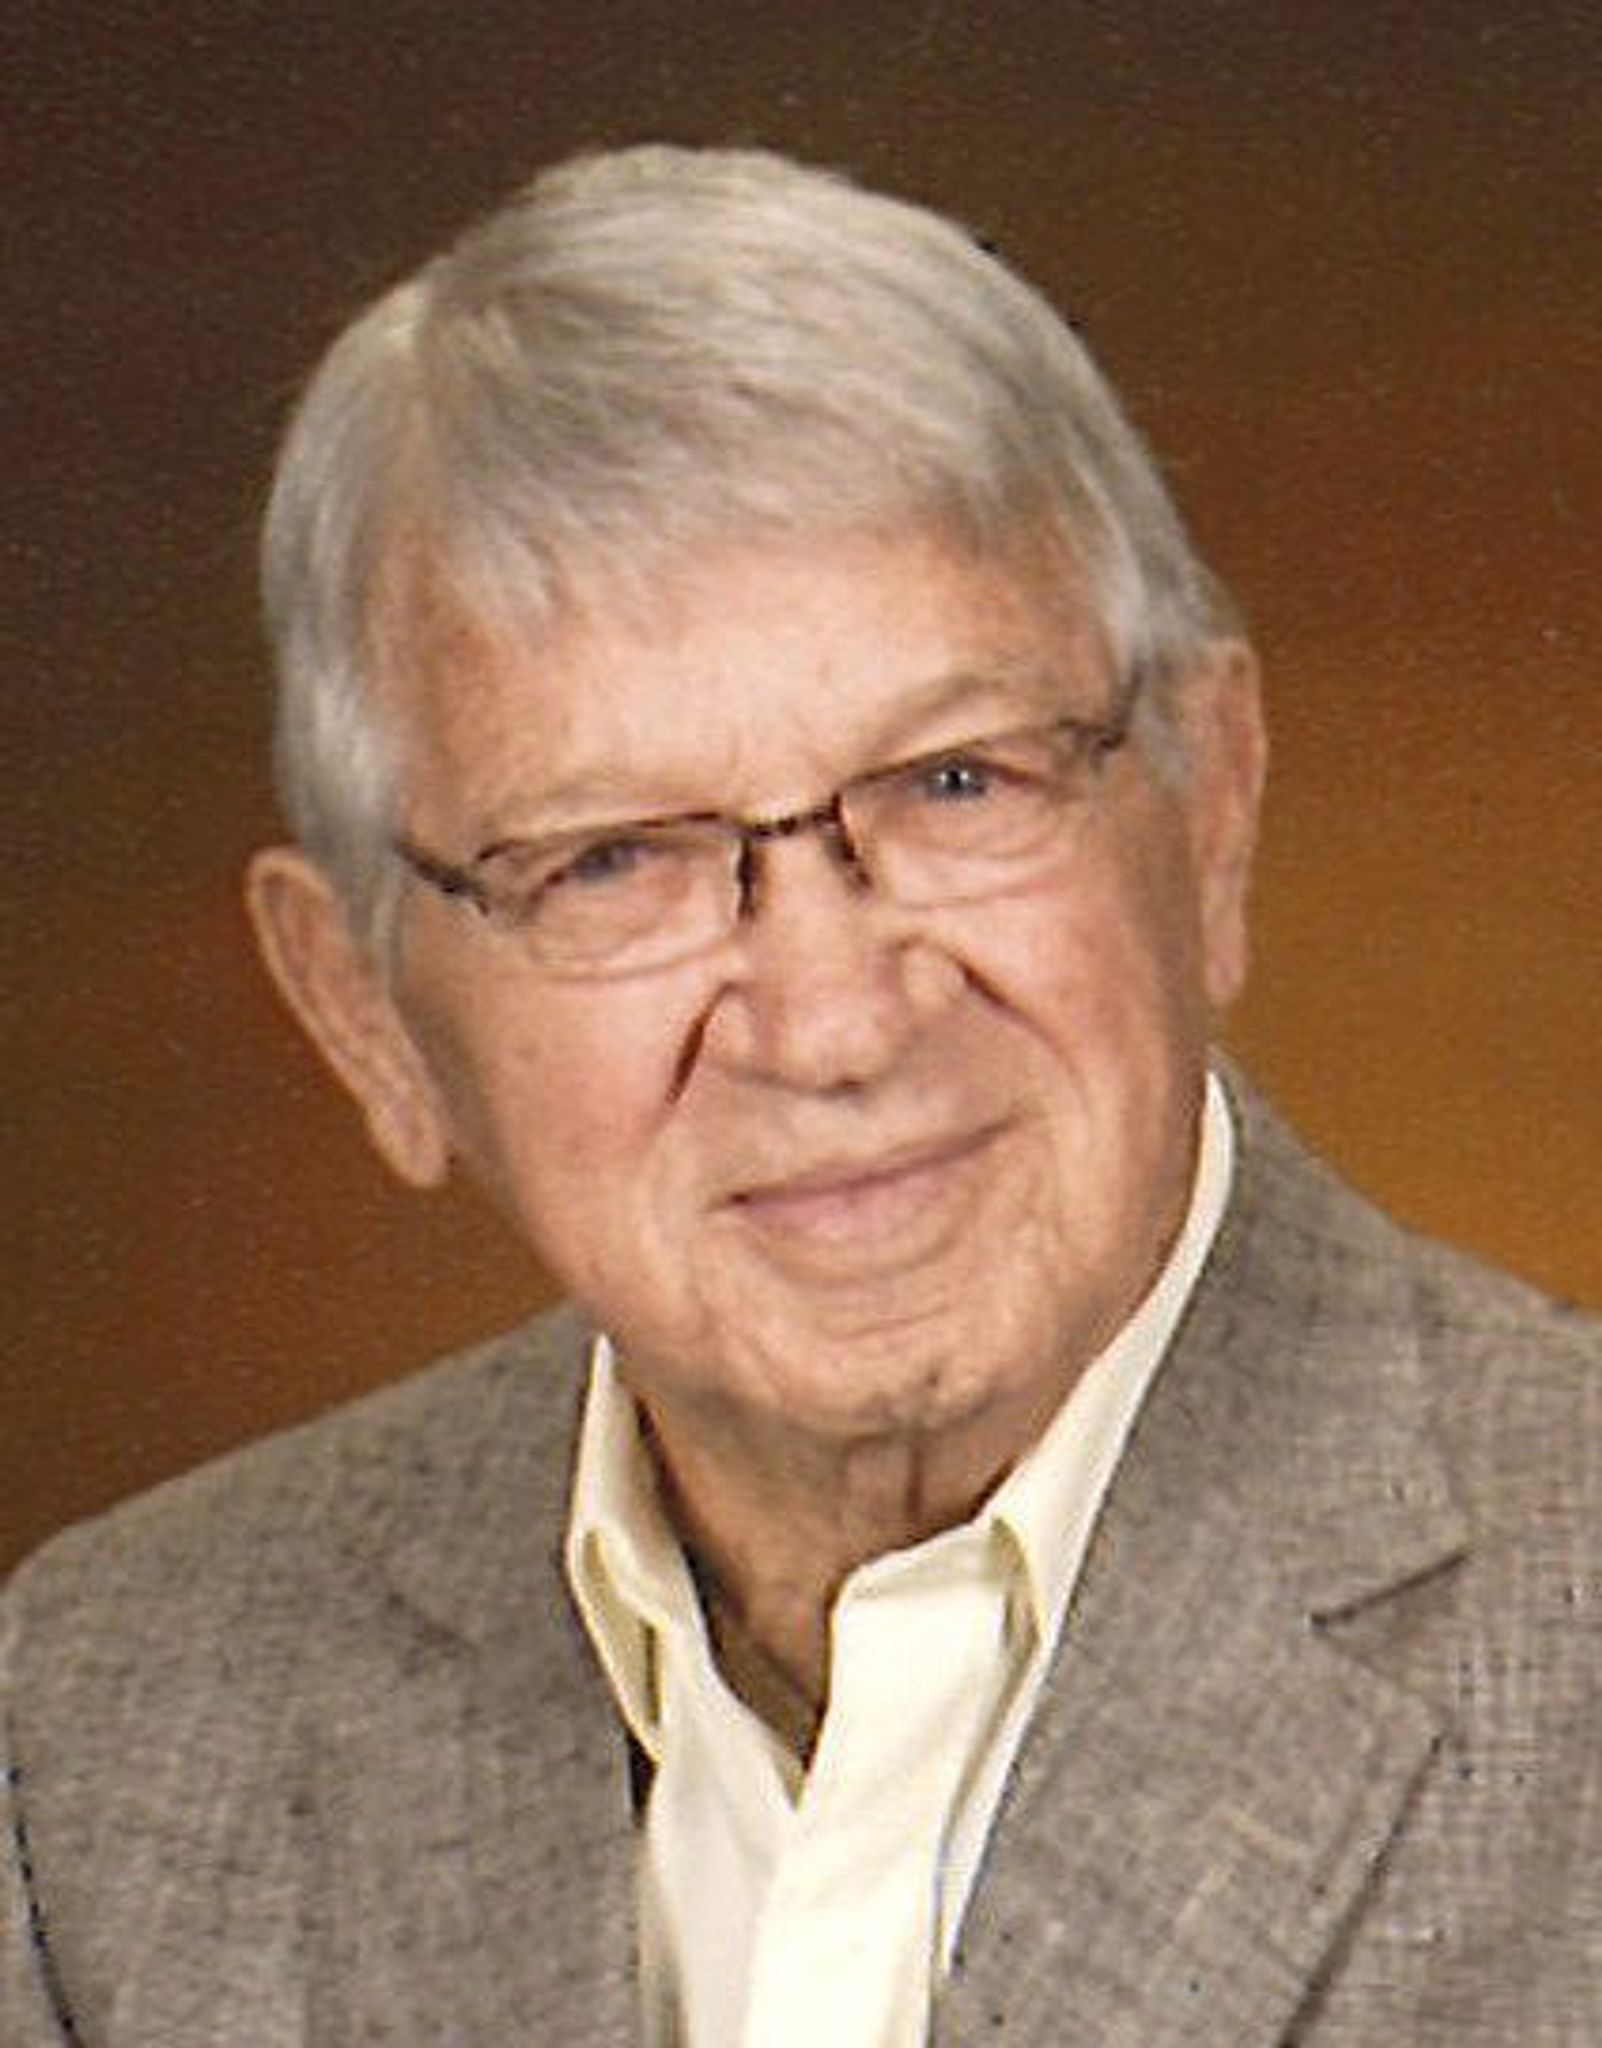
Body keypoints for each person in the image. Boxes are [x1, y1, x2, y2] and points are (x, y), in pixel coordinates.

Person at [3, 144, 1597, 2048]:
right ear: (366, 1015)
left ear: (1212, 811)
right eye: (609, 860)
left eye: (955, 782)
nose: (834, 1024)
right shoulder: (99, 1734)